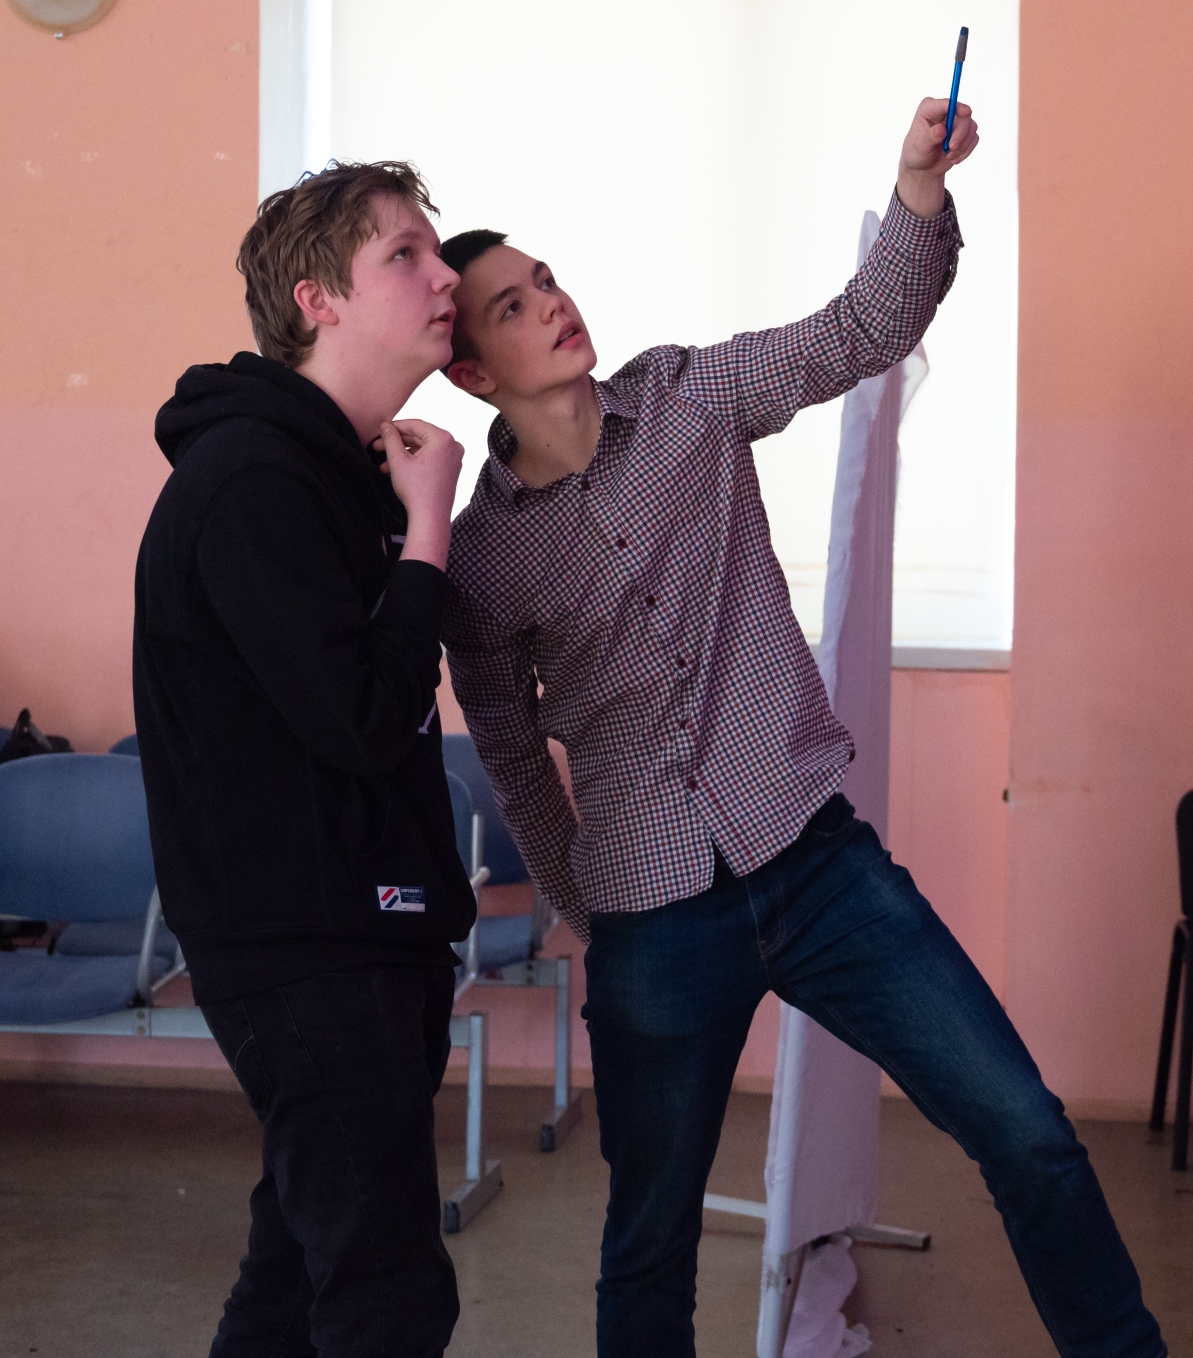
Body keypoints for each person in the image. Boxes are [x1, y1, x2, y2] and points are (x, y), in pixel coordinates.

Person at [439, 100, 1167, 1358]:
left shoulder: (687, 396)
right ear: (469, 373)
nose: (551, 304)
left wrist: (915, 186)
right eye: (512, 305)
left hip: (815, 862)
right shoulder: (481, 559)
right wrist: (587, 904)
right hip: (652, 917)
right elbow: (508, 749)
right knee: (647, 1248)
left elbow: (861, 328)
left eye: (546, 279)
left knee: (1028, 1133)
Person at [133, 161, 474, 1358]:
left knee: (291, 1285)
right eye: (404, 255)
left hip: (359, 934)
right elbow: (365, 717)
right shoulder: (253, 481)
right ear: (315, 299)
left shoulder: (339, 471)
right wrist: (427, 531)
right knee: (386, 1296)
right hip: (309, 948)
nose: (444, 277)